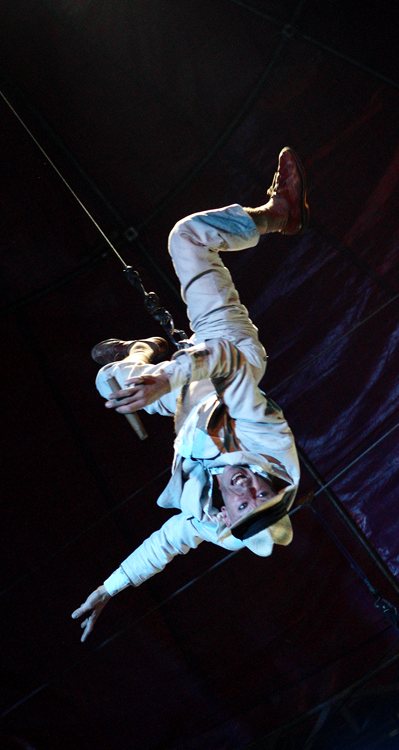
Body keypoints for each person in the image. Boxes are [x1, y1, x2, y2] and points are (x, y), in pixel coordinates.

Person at [72, 147, 309, 641]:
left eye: (245, 503)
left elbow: (163, 546)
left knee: (107, 383)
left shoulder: (207, 519)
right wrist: (168, 378)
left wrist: (109, 588)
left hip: (184, 402)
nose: (250, 489)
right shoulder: (270, 446)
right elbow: (225, 361)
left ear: (226, 516)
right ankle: (280, 214)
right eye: (264, 493)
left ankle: (141, 352)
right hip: (225, 353)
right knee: (187, 236)